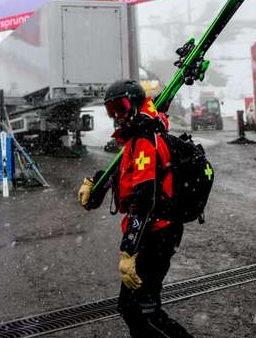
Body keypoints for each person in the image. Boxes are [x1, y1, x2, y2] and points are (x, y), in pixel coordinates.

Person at [78, 80, 191, 337]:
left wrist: (129, 250)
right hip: (155, 232)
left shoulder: (144, 140)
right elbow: (125, 173)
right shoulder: (137, 135)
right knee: (132, 308)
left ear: (136, 105)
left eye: (122, 106)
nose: (117, 115)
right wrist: (99, 180)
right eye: (111, 109)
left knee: (143, 311)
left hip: (159, 233)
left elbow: (143, 200)